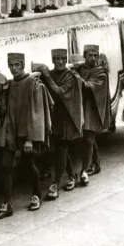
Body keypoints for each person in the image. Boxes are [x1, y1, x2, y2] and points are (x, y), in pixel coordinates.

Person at [0, 53, 53, 219]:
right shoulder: (10, 85)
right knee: (5, 166)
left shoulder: (33, 84)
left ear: (23, 64)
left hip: (25, 133)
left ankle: (36, 194)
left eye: (17, 65)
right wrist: (3, 91)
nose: (14, 68)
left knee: (28, 164)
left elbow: (36, 113)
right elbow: (4, 110)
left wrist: (29, 139)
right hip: (10, 130)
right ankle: (7, 204)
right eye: (11, 65)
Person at [36, 49, 84, 200]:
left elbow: (59, 92)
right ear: (52, 60)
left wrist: (46, 75)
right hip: (54, 116)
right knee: (60, 150)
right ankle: (71, 175)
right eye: (57, 59)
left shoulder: (71, 76)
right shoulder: (50, 74)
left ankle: (55, 184)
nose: (61, 61)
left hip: (67, 118)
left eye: (63, 58)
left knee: (61, 149)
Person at [75, 45, 112, 178]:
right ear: (84, 56)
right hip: (82, 107)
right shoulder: (80, 69)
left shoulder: (100, 72)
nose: (93, 58)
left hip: (94, 109)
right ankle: (96, 163)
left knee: (89, 139)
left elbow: (87, 86)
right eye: (90, 55)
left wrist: (74, 76)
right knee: (87, 138)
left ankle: (84, 169)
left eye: (96, 55)